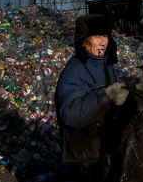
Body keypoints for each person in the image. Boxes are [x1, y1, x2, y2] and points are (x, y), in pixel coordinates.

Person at [54, 14, 128, 182]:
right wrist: (106, 95)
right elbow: (70, 114)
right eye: (97, 36)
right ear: (83, 41)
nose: (103, 42)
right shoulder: (74, 71)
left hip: (103, 149)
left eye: (105, 36)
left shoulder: (106, 65)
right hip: (83, 157)